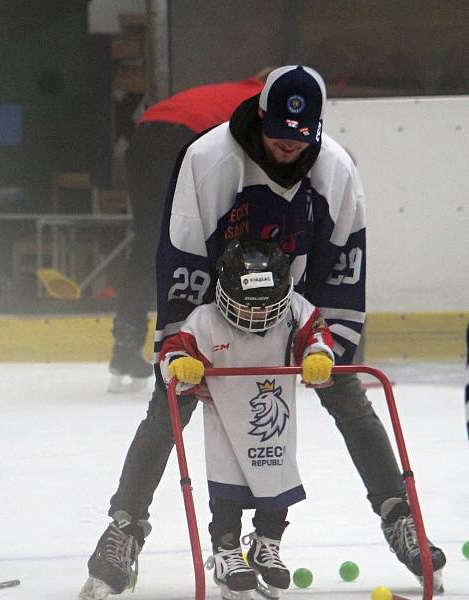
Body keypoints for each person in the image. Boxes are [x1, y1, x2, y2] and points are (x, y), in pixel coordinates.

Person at [81, 65, 446, 599]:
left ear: (316, 130)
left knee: (350, 397)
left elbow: (344, 266)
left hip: (292, 310)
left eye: (298, 138)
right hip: (213, 305)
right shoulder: (208, 160)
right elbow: (179, 255)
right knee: (169, 407)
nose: (285, 145)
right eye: (276, 132)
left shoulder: (338, 171)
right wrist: (180, 347)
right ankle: (124, 528)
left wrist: (329, 349)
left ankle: (399, 516)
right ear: (259, 114)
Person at [156, 239, 335, 599]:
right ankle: (226, 552)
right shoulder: (205, 321)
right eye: (246, 307)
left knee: (276, 477)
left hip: (275, 422)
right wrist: (180, 365)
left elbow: (317, 333)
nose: (255, 316)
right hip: (226, 418)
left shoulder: (296, 310)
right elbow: (173, 350)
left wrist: (318, 354)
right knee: (227, 486)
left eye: (265, 307)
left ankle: (267, 544)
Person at [108, 69, 271, 393]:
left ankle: (124, 349)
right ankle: (212, 345)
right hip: (183, 140)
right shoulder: (263, 102)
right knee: (213, 243)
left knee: (148, 244)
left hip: (144, 135)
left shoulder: (229, 88)